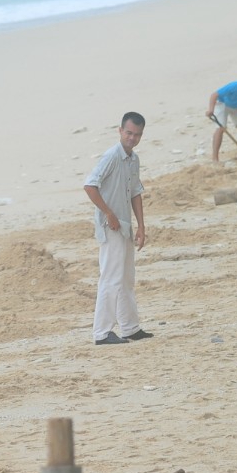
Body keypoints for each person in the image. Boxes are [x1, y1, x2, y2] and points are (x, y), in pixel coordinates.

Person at [83, 112, 150, 345]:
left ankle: (130, 328)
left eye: (137, 135)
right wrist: (108, 213)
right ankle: (102, 333)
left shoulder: (133, 159)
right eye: (129, 133)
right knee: (110, 278)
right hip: (110, 226)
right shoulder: (112, 156)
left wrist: (141, 226)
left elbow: (136, 192)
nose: (132, 138)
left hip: (125, 226)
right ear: (120, 131)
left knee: (127, 278)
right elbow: (90, 185)